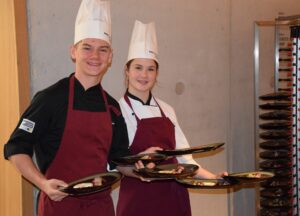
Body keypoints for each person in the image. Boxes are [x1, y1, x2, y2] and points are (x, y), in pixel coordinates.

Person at [3, 0, 129, 215]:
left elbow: (120, 160)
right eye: (87, 48)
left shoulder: (113, 107)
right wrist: (43, 184)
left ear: (110, 57)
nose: (95, 56)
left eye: (102, 50)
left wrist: (146, 168)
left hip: (100, 208)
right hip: (60, 206)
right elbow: (16, 148)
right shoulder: (49, 99)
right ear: (73, 51)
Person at [116, 20, 227, 216]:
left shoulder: (167, 109)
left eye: (150, 69)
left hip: (173, 199)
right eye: (138, 67)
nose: (144, 75)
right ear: (127, 70)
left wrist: (214, 179)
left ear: (157, 73)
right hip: (138, 201)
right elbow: (114, 163)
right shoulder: (117, 109)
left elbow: (184, 159)